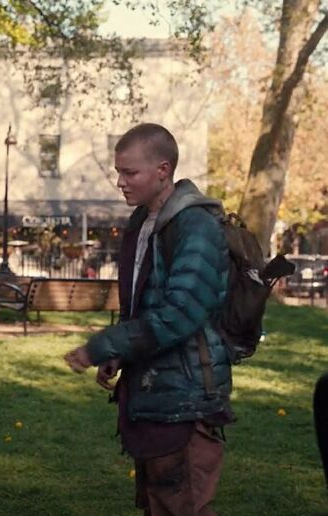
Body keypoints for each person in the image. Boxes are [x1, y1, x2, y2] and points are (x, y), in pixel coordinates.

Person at [65, 123, 232, 515]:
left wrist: (102, 345)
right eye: (118, 172)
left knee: (181, 506)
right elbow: (143, 304)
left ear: (162, 170)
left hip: (187, 395)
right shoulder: (142, 221)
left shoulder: (196, 226)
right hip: (153, 391)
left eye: (130, 172)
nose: (120, 182)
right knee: (158, 503)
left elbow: (180, 315)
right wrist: (121, 354)